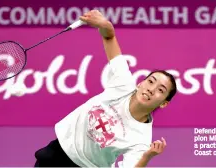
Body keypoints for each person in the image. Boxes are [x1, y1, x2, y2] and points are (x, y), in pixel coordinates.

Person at [34, 10, 177, 167]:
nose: (151, 89)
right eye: (151, 81)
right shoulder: (123, 83)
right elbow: (109, 37)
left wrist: (147, 157)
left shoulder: (141, 137)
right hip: (57, 152)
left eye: (161, 90)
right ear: (140, 83)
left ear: (164, 103)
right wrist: (105, 25)